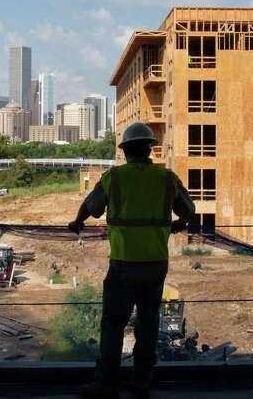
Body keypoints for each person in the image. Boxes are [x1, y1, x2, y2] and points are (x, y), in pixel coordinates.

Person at [68, 122, 196, 399]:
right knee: (148, 324)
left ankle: (106, 386)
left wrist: (76, 222)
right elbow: (189, 210)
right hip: (156, 264)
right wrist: (178, 224)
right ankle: (141, 384)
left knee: (113, 325)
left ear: (125, 151)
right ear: (149, 149)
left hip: (124, 265)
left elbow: (91, 208)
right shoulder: (167, 179)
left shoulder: (114, 178)